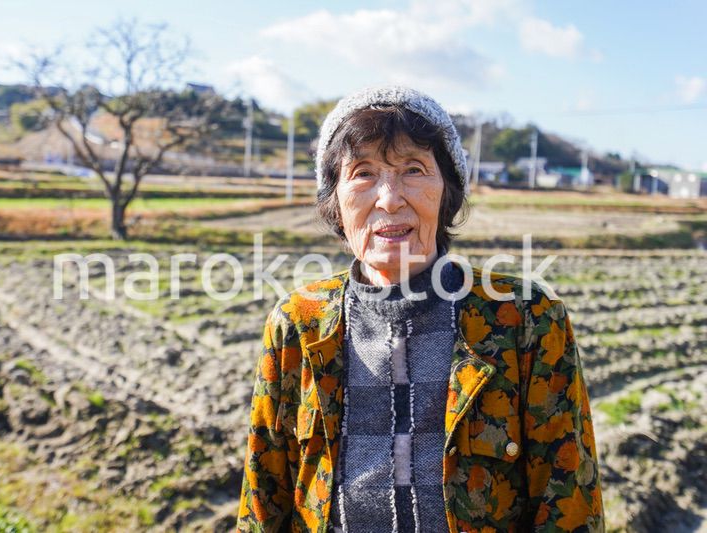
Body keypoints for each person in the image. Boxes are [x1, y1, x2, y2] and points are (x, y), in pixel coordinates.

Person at [236, 85, 603, 532]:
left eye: (413, 169)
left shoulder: (525, 318)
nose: (390, 198)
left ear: (447, 191)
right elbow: (263, 502)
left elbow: (569, 504)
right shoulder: (298, 324)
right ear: (335, 202)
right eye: (363, 173)